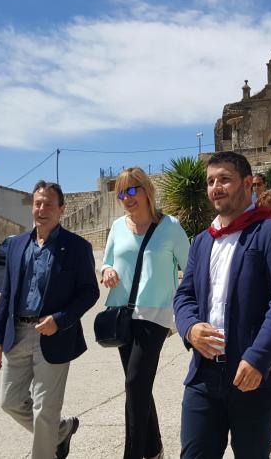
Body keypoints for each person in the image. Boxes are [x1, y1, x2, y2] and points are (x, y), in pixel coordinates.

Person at [173, 151, 271, 458]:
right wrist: (190, 328)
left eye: (224, 179)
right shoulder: (203, 241)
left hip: (254, 375)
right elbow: (184, 295)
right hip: (204, 374)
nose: (216, 187)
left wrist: (258, 358)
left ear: (247, 183)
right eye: (210, 181)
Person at [0, 180, 100, 459]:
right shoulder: (16, 246)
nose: (42, 209)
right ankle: (61, 432)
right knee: (10, 402)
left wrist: (60, 320)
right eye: (38, 203)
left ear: (61, 209)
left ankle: (48, 443)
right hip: (17, 334)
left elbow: (89, 292)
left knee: (44, 411)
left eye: (49, 204)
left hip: (54, 336)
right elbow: (7, 294)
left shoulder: (76, 247)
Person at [99, 168, 190, 459]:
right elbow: (106, 261)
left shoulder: (170, 227)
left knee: (135, 383)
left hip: (155, 316)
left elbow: (191, 270)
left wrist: (187, 309)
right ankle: (153, 449)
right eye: (121, 193)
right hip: (123, 315)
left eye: (132, 190)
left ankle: (133, 454)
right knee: (138, 386)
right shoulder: (117, 227)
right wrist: (107, 270)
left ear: (146, 189)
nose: (126, 198)